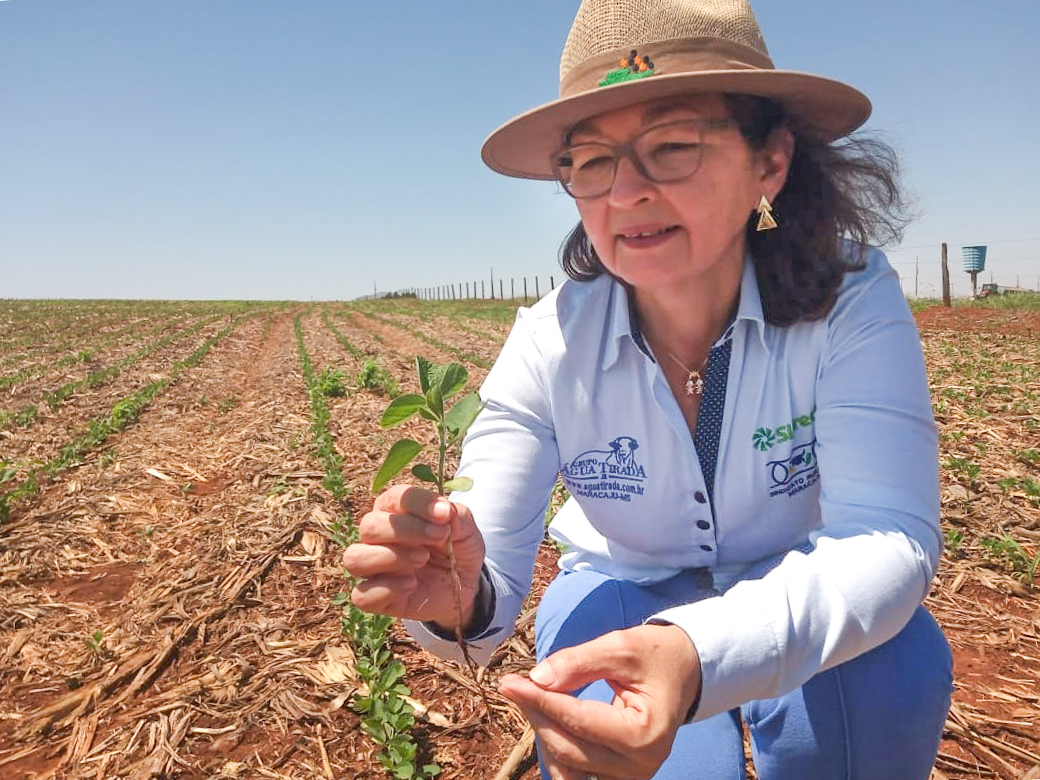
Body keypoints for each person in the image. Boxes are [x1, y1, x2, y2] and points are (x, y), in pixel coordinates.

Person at [343, 0, 953, 777]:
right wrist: (458, 595)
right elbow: (486, 570)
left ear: (770, 162)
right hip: (622, 585)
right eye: (592, 161)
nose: (624, 193)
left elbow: (885, 537)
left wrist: (696, 653)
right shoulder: (550, 340)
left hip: (803, 567)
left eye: (671, 145)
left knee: (884, 686)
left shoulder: (849, 298)